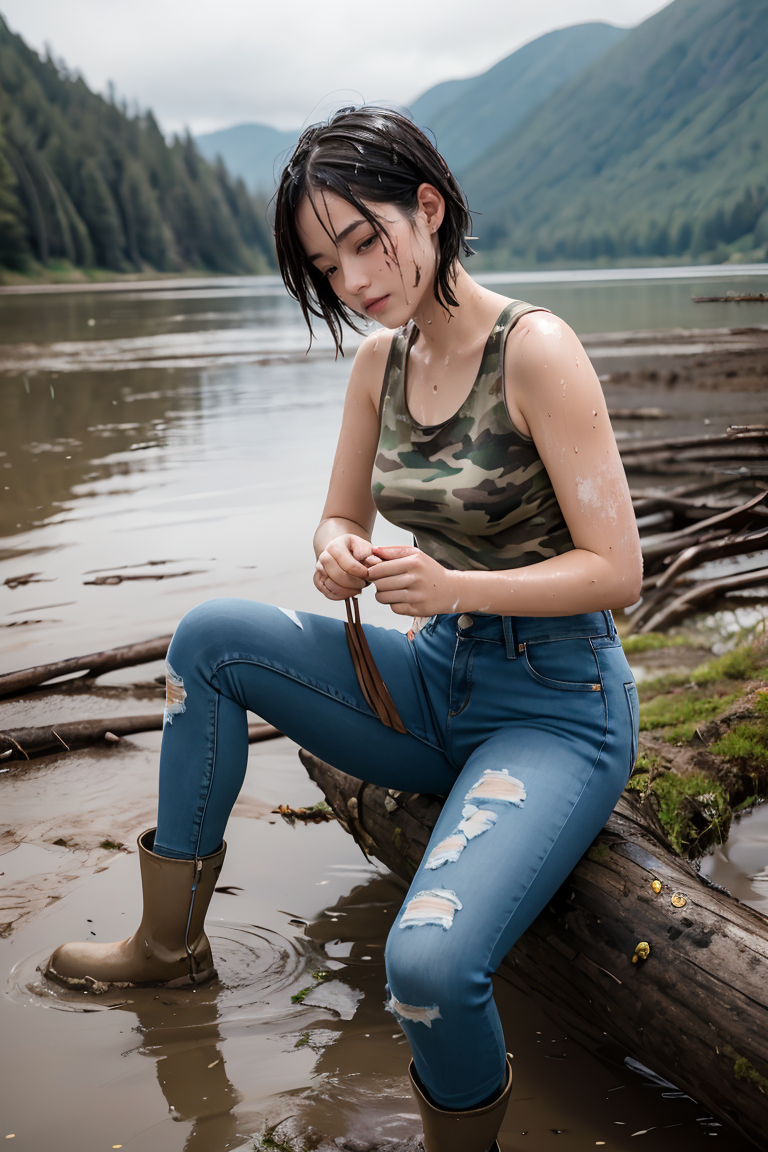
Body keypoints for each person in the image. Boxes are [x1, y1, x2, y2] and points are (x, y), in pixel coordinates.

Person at [46, 106, 642, 1152]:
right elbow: (339, 516)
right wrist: (334, 552)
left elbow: (619, 572)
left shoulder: (535, 351)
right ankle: (169, 947)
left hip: (556, 712)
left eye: (366, 242)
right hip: (429, 686)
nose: (356, 281)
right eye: (328, 266)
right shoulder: (381, 363)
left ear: (430, 206)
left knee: (425, 965)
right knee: (210, 640)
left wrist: (457, 589)